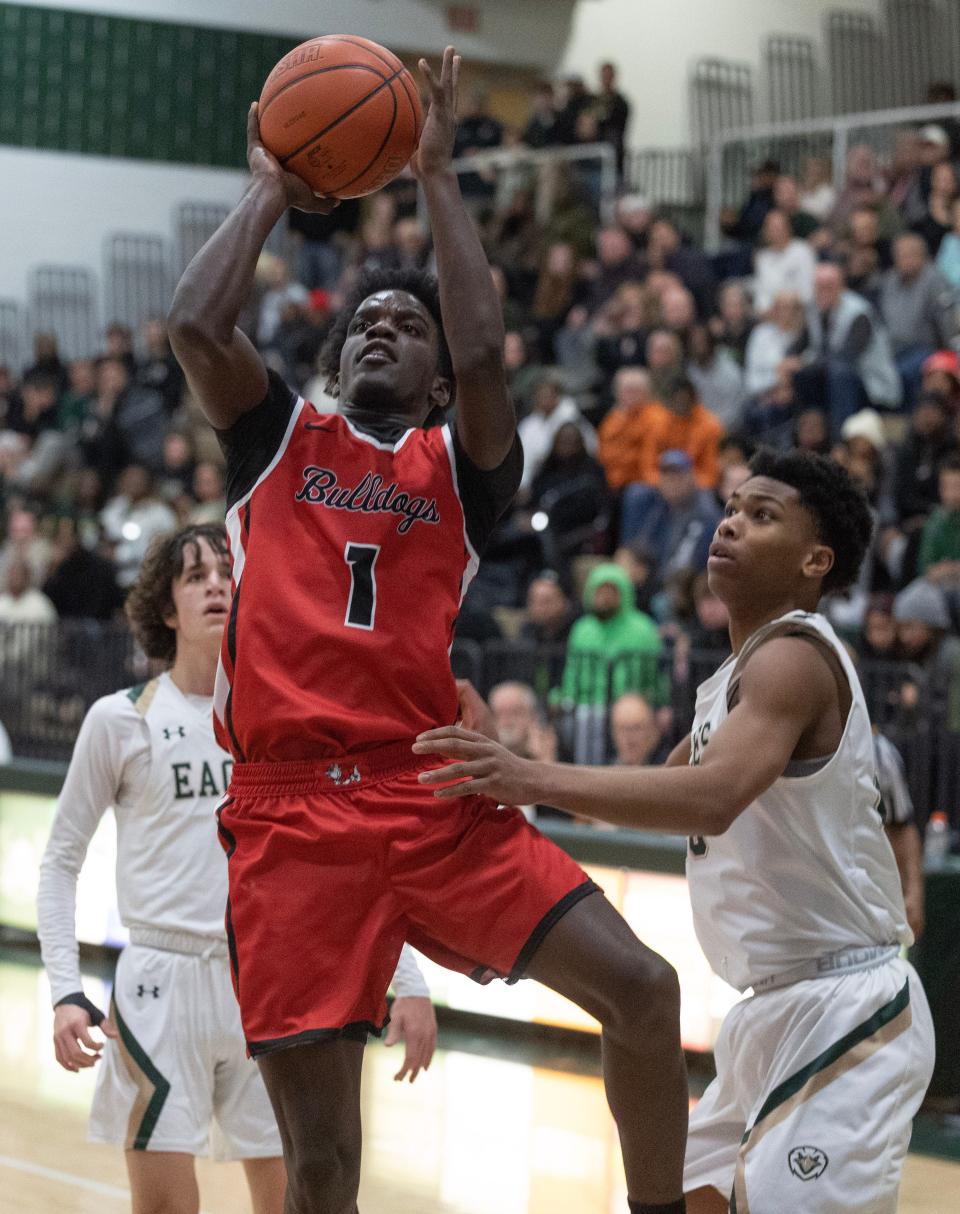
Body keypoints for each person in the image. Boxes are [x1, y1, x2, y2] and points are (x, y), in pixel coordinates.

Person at [168, 48, 688, 1214]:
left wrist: (438, 174)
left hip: (428, 794)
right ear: (334, 357)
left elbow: (489, 346)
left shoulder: (462, 468)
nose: (381, 332)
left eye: (407, 324)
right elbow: (197, 327)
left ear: (439, 379)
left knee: (645, 989)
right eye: (364, 323)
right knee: (321, 1164)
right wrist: (269, 185)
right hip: (292, 813)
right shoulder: (277, 443)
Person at [416, 448, 935, 1213]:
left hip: (847, 1002)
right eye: (731, 507)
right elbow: (648, 792)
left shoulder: (792, 657)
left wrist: (526, 776)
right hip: (770, 1009)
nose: (730, 523)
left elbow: (710, 797)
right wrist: (513, 750)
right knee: (686, 1194)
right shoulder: (727, 683)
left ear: (814, 560)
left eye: (762, 516)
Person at [36, 523, 438, 1214]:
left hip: (269, 981)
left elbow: (346, 852)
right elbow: (60, 861)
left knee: (295, 1197)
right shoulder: (121, 719)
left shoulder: (280, 722)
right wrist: (66, 990)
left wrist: (409, 978)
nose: (218, 584)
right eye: (195, 577)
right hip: (162, 980)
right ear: (166, 609)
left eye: (227, 573)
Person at [879, 232, 959, 408]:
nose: (906, 260)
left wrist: (950, 354)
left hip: (925, 348)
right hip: (893, 349)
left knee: (902, 373)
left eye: (912, 255)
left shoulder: (935, 280)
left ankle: (910, 419)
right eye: (902, 256)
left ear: (923, 255)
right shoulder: (889, 281)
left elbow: (946, 323)